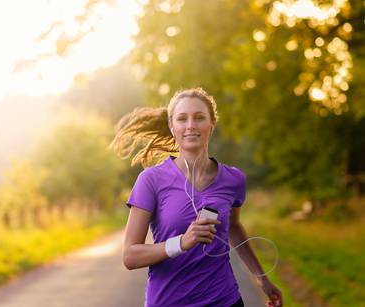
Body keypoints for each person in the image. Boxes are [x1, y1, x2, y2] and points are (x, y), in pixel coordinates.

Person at [109, 88, 282, 307]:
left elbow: (233, 227)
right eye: (182, 119)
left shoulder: (233, 179)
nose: (191, 125)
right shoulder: (151, 180)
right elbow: (130, 256)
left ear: (212, 123)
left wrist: (262, 279)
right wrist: (182, 243)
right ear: (172, 127)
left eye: (199, 117)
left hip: (225, 300)